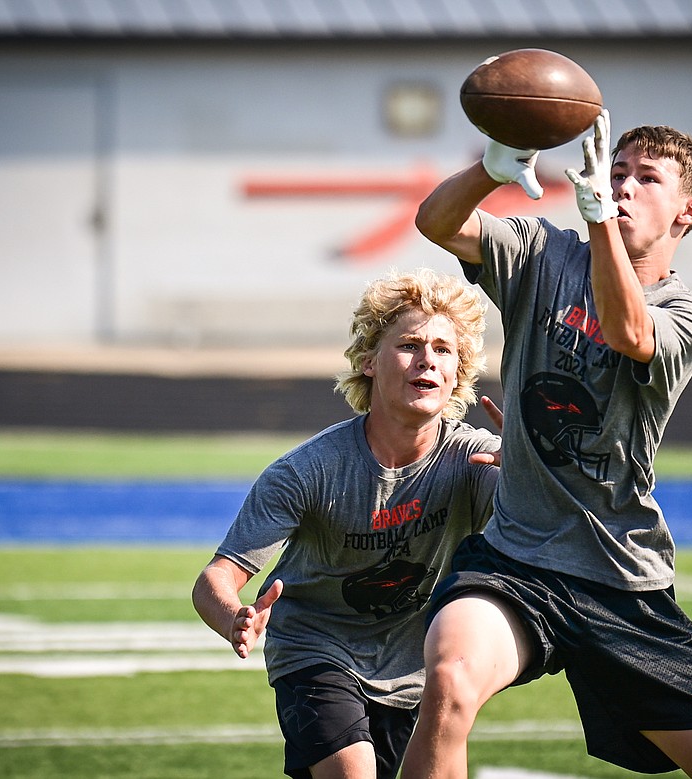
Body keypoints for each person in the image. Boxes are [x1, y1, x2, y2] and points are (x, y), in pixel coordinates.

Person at [400, 111, 692, 778]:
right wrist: (492, 168)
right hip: (514, 562)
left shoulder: (691, 313)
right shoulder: (543, 252)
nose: (622, 186)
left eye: (644, 179)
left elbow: (629, 330)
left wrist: (599, 219)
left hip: (620, 579)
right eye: (615, 172)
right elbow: (436, 222)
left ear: (689, 210)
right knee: (449, 679)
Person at [192, 268, 503, 779]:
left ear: (456, 375)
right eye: (409, 344)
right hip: (314, 649)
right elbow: (215, 579)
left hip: (414, 670)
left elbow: (546, 521)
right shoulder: (308, 470)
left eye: (444, 350)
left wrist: (532, 470)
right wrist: (234, 617)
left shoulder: (477, 460)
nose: (428, 359)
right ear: (368, 363)